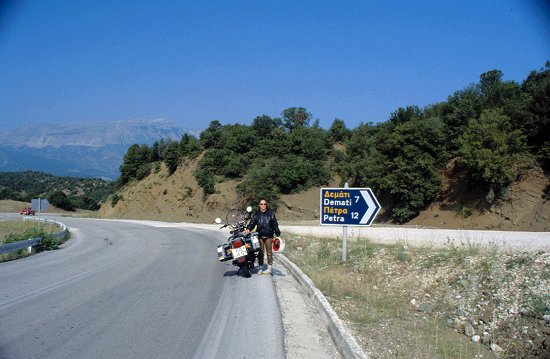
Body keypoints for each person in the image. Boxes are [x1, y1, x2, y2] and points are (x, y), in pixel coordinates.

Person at [244, 198, 281, 275]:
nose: (263, 205)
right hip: (259, 236)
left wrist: (278, 234)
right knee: (260, 252)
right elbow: (252, 223)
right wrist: (248, 229)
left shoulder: (271, 214)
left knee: (269, 252)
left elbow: (275, 224)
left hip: (269, 236)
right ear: (259, 205)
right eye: (261, 204)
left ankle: (269, 268)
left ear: (266, 205)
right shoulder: (256, 214)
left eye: (264, 204)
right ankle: (260, 268)